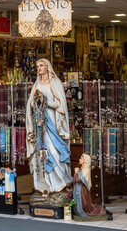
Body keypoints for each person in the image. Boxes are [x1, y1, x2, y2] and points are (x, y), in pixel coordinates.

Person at [26, 58, 73, 194]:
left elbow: (61, 105)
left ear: (47, 67)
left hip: (53, 126)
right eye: (37, 66)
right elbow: (30, 104)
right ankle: (46, 185)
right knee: (42, 154)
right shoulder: (37, 84)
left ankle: (60, 183)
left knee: (54, 152)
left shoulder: (55, 82)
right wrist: (36, 102)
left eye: (41, 65)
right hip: (40, 126)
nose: (39, 68)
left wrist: (46, 102)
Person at [73, 153, 106, 218]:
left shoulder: (86, 170)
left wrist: (76, 173)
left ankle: (97, 209)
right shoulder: (82, 169)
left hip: (82, 190)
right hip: (79, 189)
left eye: (81, 158)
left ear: (85, 160)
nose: (79, 159)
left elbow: (78, 180)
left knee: (82, 205)